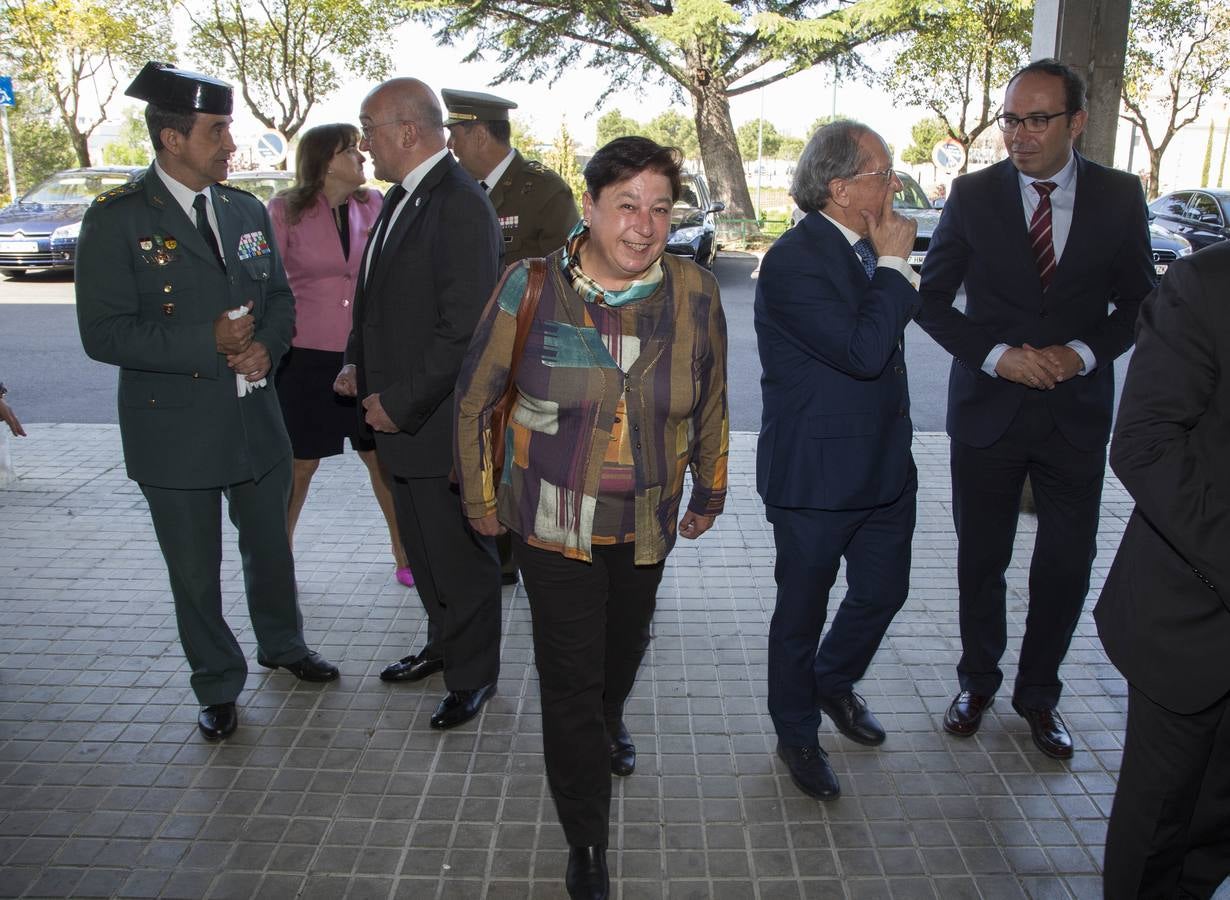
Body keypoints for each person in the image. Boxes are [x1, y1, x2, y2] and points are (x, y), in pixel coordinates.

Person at [454, 136, 728, 900]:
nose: (643, 226)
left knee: (623, 647)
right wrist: (480, 498)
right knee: (570, 680)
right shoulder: (531, 286)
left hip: (645, 519)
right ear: (590, 208)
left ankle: (609, 717)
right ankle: (587, 838)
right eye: (626, 206)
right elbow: (477, 397)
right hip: (553, 523)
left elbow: (710, 397)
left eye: (660, 208)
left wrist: (711, 488)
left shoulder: (695, 292)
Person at [75, 62, 338, 743]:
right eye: (217, 129)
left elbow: (280, 301)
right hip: (175, 431)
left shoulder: (245, 208)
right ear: (172, 139)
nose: (230, 143)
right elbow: (102, 333)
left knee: (270, 550)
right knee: (195, 568)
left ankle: (284, 645)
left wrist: (266, 350)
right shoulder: (117, 219)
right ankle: (217, 683)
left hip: (256, 418)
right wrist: (209, 341)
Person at [914, 58, 1154, 759]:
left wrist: (1080, 353)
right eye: (1011, 120)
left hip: (1075, 412)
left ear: (1076, 122)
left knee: (1065, 564)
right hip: (988, 411)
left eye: (1037, 119)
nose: (1020, 134)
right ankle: (977, 681)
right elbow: (931, 301)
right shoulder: (973, 194)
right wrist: (999, 356)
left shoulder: (1118, 196)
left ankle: (1038, 696)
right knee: (981, 560)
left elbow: (1140, 302)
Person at [755, 121, 919, 800]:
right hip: (817, 480)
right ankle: (797, 732)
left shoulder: (864, 249)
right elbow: (862, 350)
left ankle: (831, 682)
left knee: (884, 592)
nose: (894, 183)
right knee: (801, 613)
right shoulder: (795, 260)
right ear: (840, 185)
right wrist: (896, 266)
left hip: (885, 471)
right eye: (882, 172)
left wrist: (888, 265)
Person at [337, 77, 503, 729]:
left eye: (369, 128)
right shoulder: (402, 198)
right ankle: (443, 646)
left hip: (436, 420)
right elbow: (374, 296)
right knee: (426, 550)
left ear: (408, 131)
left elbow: (464, 327)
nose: (364, 143)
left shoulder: (459, 203)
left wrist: (400, 402)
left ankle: (474, 676)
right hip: (401, 415)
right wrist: (356, 361)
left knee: (459, 553)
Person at [1095, 242, 1230, 897]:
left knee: (1218, 827)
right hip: (1193, 621)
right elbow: (1145, 445)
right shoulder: (1207, 284)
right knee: (1157, 831)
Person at [442, 87, 580, 586]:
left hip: (523, 346)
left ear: (478, 132)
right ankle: (488, 550)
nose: (450, 143)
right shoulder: (455, 188)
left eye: (455, 133)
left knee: (515, 450)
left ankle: (517, 551)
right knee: (478, 442)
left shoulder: (542, 190)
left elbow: (566, 275)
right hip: (467, 347)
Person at [266, 123, 414, 588]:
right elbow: (268, 283)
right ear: (326, 160)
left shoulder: (374, 204)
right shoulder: (283, 211)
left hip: (367, 355)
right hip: (305, 356)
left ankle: (404, 554)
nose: (362, 156)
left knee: (380, 460)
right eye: (351, 149)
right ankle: (278, 557)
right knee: (300, 463)